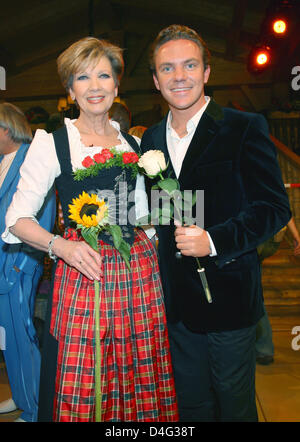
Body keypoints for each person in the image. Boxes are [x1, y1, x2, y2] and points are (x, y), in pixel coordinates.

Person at [2, 37, 178, 422]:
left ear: (117, 85)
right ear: (70, 90)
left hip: (137, 277)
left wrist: (167, 224)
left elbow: (145, 214)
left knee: (138, 368)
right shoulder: (52, 144)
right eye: (82, 77)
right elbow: (16, 220)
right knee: (86, 376)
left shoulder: (132, 142)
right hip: (84, 273)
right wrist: (62, 247)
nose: (94, 86)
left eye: (103, 75)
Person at [140, 24, 291, 422]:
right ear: (156, 80)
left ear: (207, 72)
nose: (179, 76)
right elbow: (162, 210)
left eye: (189, 65)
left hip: (228, 298)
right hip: (176, 302)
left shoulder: (243, 127)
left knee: (234, 406)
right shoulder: (151, 140)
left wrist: (214, 240)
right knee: (190, 406)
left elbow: (275, 208)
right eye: (167, 69)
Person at [0, 102, 56, 422]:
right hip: (2, 264)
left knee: (24, 336)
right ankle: (21, 394)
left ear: (6, 129)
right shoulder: (4, 160)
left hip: (18, 264)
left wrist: (25, 263)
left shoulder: (30, 159)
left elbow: (44, 212)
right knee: (9, 338)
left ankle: (36, 407)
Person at [256, 217, 300, 365]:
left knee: (252, 296)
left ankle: (262, 348)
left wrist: (295, 235)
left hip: (245, 242)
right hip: (251, 240)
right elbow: (282, 204)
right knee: (253, 295)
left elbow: (282, 205)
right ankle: (263, 348)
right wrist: (295, 235)